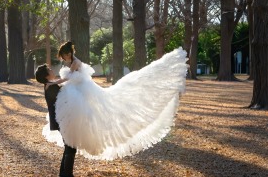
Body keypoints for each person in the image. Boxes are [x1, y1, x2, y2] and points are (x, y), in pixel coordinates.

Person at [43, 40, 188, 161]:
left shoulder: (75, 62)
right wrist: (54, 82)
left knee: (104, 107)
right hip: (80, 91)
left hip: (86, 91)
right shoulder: (71, 63)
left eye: (63, 56)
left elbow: (68, 78)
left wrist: (54, 82)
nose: (63, 59)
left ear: (68, 54)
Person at [35, 63, 77, 177]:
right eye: (49, 69)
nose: (51, 70)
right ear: (46, 75)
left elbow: (61, 82)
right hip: (61, 120)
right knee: (71, 147)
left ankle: (63, 175)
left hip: (60, 120)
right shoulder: (50, 87)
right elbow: (63, 94)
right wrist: (72, 73)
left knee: (69, 146)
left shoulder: (49, 85)